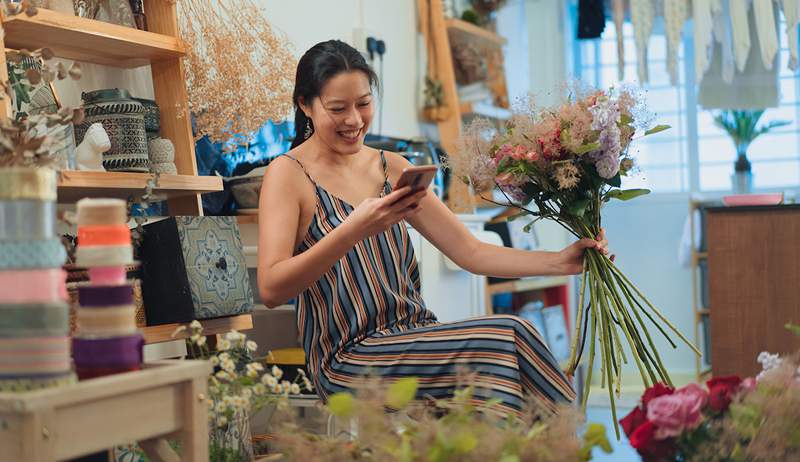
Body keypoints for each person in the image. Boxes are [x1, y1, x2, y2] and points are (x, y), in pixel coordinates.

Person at [257, 40, 609, 415]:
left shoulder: (391, 167)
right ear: (304, 105)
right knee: (500, 340)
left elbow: (470, 252)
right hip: (348, 359)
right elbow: (271, 288)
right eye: (337, 109)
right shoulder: (289, 174)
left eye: (363, 103)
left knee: (517, 332)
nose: (355, 120)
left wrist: (561, 262)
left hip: (414, 334)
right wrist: (353, 230)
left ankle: (562, 450)